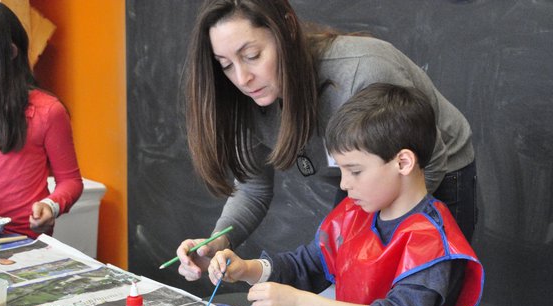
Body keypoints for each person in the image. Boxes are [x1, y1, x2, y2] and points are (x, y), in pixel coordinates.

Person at [182, 83, 484, 306]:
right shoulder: (355, 214)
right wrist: (248, 269)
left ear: (403, 162)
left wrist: (300, 304)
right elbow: (307, 265)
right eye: (340, 169)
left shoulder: (432, 241)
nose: (344, 184)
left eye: (355, 171)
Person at [177, 0, 477, 278]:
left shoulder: (363, 73)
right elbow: (252, 189)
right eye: (226, 65)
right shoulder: (241, 97)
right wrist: (218, 241)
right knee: (349, 286)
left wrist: (382, 239)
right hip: (364, 179)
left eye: (252, 56)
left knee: (412, 304)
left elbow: (431, 159)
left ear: (286, 30)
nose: (242, 78)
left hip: (433, 169)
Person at [0, 2, 83, 239]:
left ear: (9, 53)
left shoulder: (48, 111)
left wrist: (52, 205)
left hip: (22, 241)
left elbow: (71, 181)